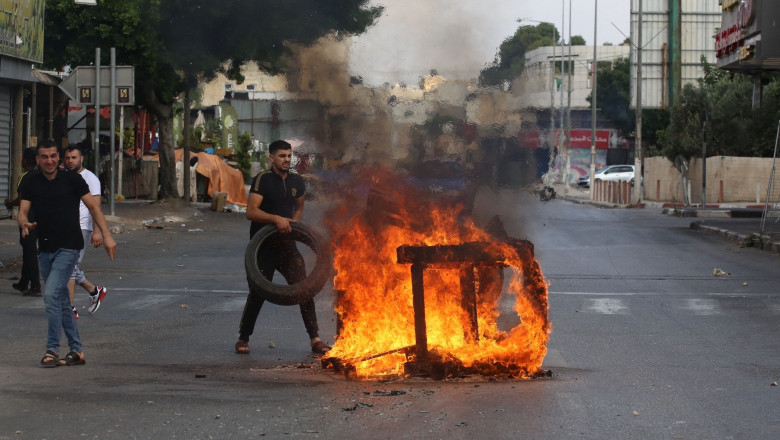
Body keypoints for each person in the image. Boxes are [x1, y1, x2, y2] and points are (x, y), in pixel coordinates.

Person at [18, 139, 117, 368]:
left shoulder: (72, 179)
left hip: (70, 247)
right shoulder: (31, 180)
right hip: (45, 248)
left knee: (51, 295)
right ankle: (77, 350)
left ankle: (52, 349)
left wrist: (107, 236)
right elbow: (22, 212)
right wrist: (24, 223)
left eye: (53, 156)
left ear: (58, 157)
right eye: (45, 157)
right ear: (38, 159)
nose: (49, 161)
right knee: (62, 300)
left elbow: (94, 207)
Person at [236, 140, 330, 355]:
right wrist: (276, 219)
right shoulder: (263, 180)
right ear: (271, 158)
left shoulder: (297, 181)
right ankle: (243, 338)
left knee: (304, 290)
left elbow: (299, 208)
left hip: (287, 246)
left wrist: (293, 224)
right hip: (263, 246)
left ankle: (315, 339)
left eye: (289, 156)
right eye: (281, 156)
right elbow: (251, 211)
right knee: (258, 291)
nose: (286, 160)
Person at [63, 145, 108, 318]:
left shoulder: (91, 178)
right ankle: (94, 290)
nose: (70, 161)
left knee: (70, 266)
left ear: (81, 159)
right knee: (66, 264)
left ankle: (70, 308)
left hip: (82, 227)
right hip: (65, 227)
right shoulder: (64, 176)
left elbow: (96, 207)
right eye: (67, 158)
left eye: (74, 157)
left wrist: (97, 231)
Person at [4, 148, 41, 296]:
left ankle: (36, 285)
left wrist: (10, 203)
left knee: (29, 252)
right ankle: (24, 282)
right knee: (29, 251)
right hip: (40, 218)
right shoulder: (40, 176)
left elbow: (21, 199)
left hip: (27, 219)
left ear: (24, 160)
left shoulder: (25, 176)